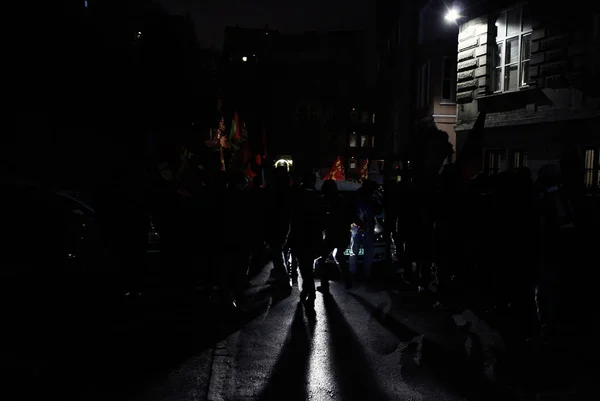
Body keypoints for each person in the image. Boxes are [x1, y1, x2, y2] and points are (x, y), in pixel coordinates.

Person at [289, 173, 322, 307]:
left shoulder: (297, 196)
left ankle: (309, 291)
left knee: (304, 266)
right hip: (311, 237)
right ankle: (308, 290)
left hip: (301, 237)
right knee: (307, 266)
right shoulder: (316, 197)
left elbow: (293, 218)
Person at [314, 179, 352, 293]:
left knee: (322, 260)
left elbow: (320, 219)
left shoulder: (324, 201)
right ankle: (347, 280)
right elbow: (351, 216)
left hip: (332, 235)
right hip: (343, 234)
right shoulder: (343, 200)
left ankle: (325, 286)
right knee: (339, 257)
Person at [349, 180, 382, 285]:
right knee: (356, 250)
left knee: (364, 250)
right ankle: (354, 273)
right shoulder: (357, 197)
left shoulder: (371, 198)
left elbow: (379, 211)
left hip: (365, 226)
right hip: (357, 226)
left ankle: (363, 273)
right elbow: (351, 212)